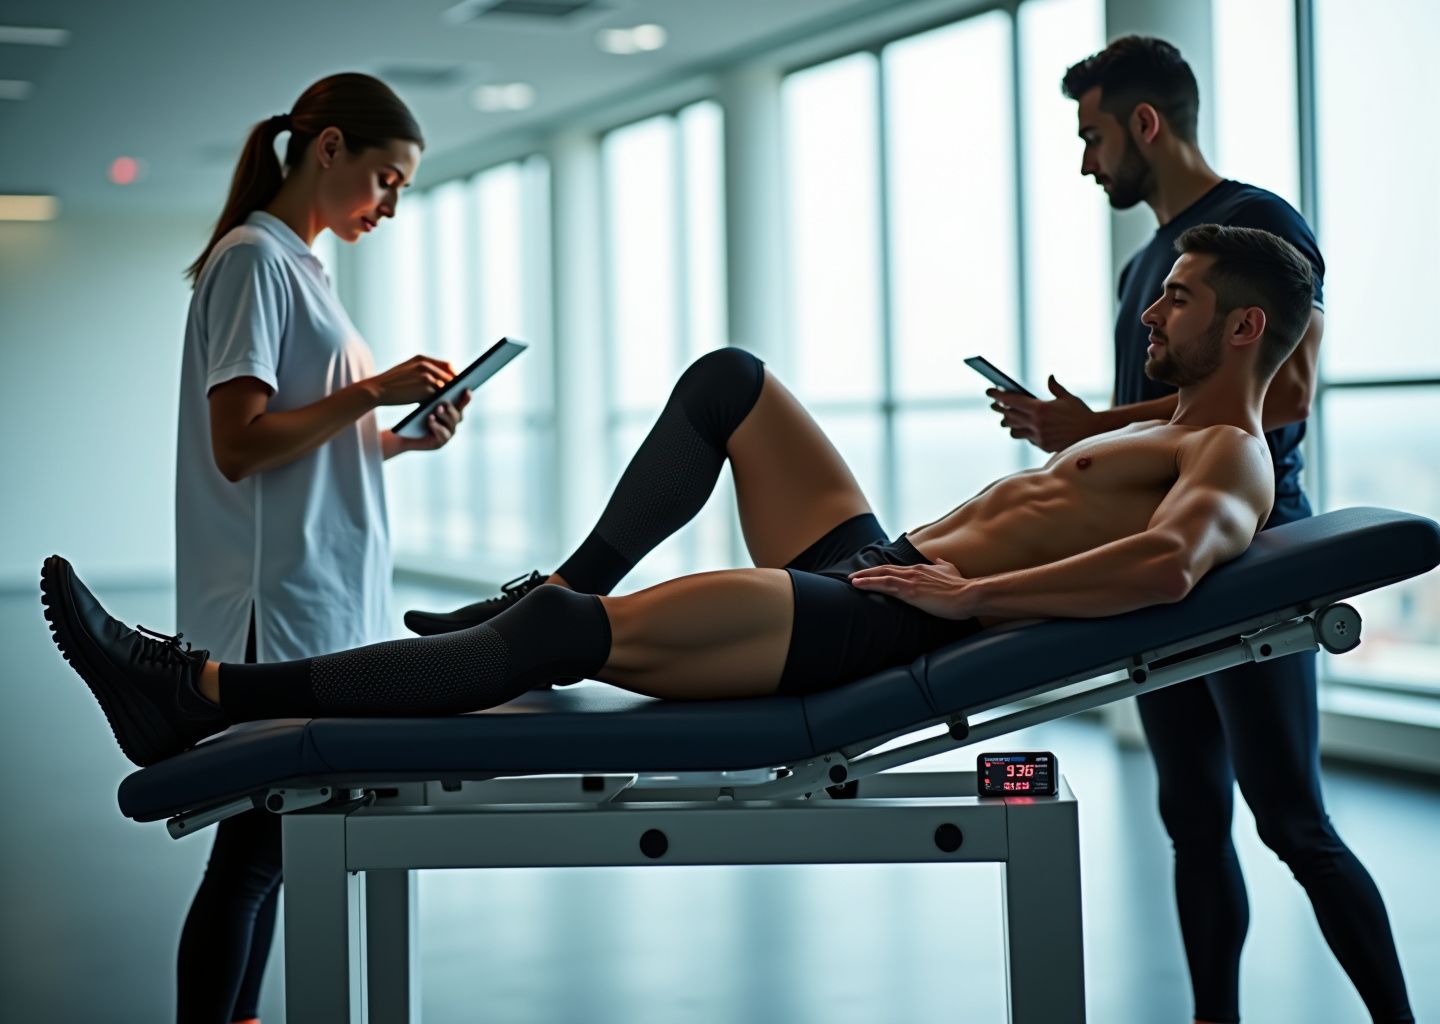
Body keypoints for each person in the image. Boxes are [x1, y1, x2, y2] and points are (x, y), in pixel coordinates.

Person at [51, 224, 1306, 774]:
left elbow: (1162, 572)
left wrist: (972, 595)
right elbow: (1149, 443)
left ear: (1244, 326)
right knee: (730, 383)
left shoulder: (1231, 458)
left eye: (1181, 298)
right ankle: (565, 576)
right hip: (885, 561)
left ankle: (198, 697)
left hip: (893, 619)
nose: (1153, 307)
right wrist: (1076, 433)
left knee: (554, 644)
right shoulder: (1176, 423)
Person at [982, 37, 1411, 1024]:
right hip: (1160, 560)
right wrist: (1088, 436)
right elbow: (1176, 410)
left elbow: (1282, 392)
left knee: (1293, 822)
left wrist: (1094, 425)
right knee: (1191, 822)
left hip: (1246, 550)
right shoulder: (1149, 264)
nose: (1087, 162)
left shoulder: (1259, 226)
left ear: (1145, 123)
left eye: (1092, 136)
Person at [170, 73, 467, 1024]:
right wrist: (368, 395)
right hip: (275, 605)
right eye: (387, 179)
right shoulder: (253, 260)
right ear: (329, 148)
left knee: (270, 851)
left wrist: (392, 436)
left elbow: (297, 443)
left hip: (319, 597)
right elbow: (240, 444)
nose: (390, 204)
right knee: (258, 854)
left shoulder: (301, 266)